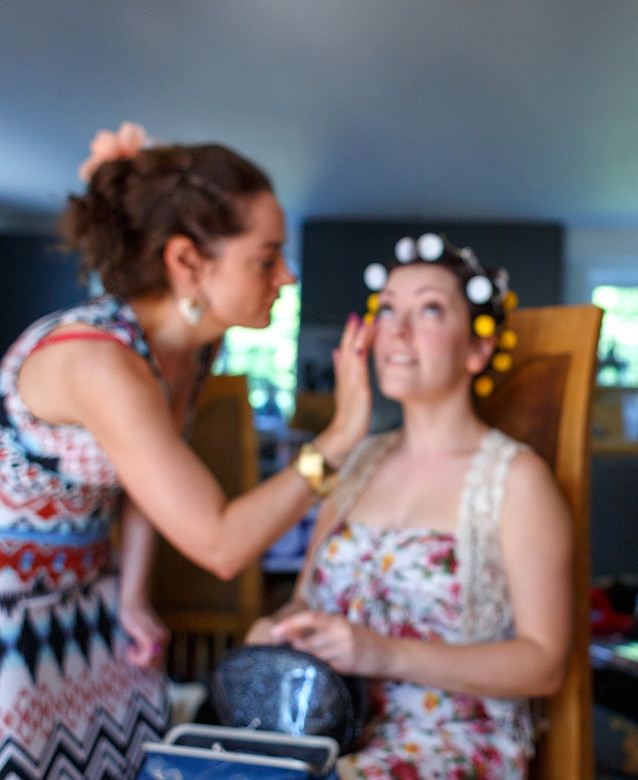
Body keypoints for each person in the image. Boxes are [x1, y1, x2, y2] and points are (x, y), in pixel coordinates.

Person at [0, 122, 372, 777]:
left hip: (87, 585)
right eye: (266, 257)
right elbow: (221, 544)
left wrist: (133, 595)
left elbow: (149, 479)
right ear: (186, 262)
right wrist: (338, 438)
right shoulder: (99, 364)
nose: (286, 276)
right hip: (10, 607)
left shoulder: (190, 346)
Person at [246, 233, 572, 779]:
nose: (396, 330)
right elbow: (302, 599)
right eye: (388, 309)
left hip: (448, 744)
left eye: (429, 310)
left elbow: (544, 665)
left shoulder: (517, 480)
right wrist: (276, 631)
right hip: (325, 733)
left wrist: (384, 653)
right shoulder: (354, 464)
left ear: (477, 348)